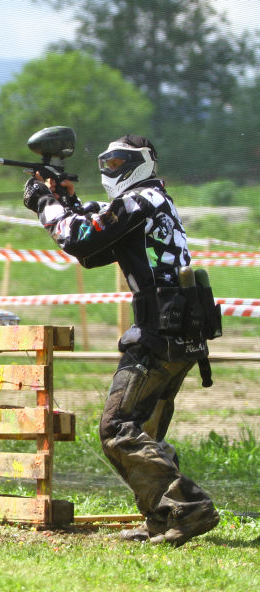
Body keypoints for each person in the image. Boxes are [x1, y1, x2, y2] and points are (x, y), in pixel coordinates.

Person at [22, 135, 221, 547]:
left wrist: (45, 201)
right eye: (105, 162)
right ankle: (163, 517)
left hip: (161, 330)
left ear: (141, 162)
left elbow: (79, 238)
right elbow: (93, 251)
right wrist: (68, 202)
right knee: (145, 431)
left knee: (118, 427)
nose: (109, 170)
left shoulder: (138, 201)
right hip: (179, 327)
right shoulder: (152, 201)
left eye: (117, 162)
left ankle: (188, 507)